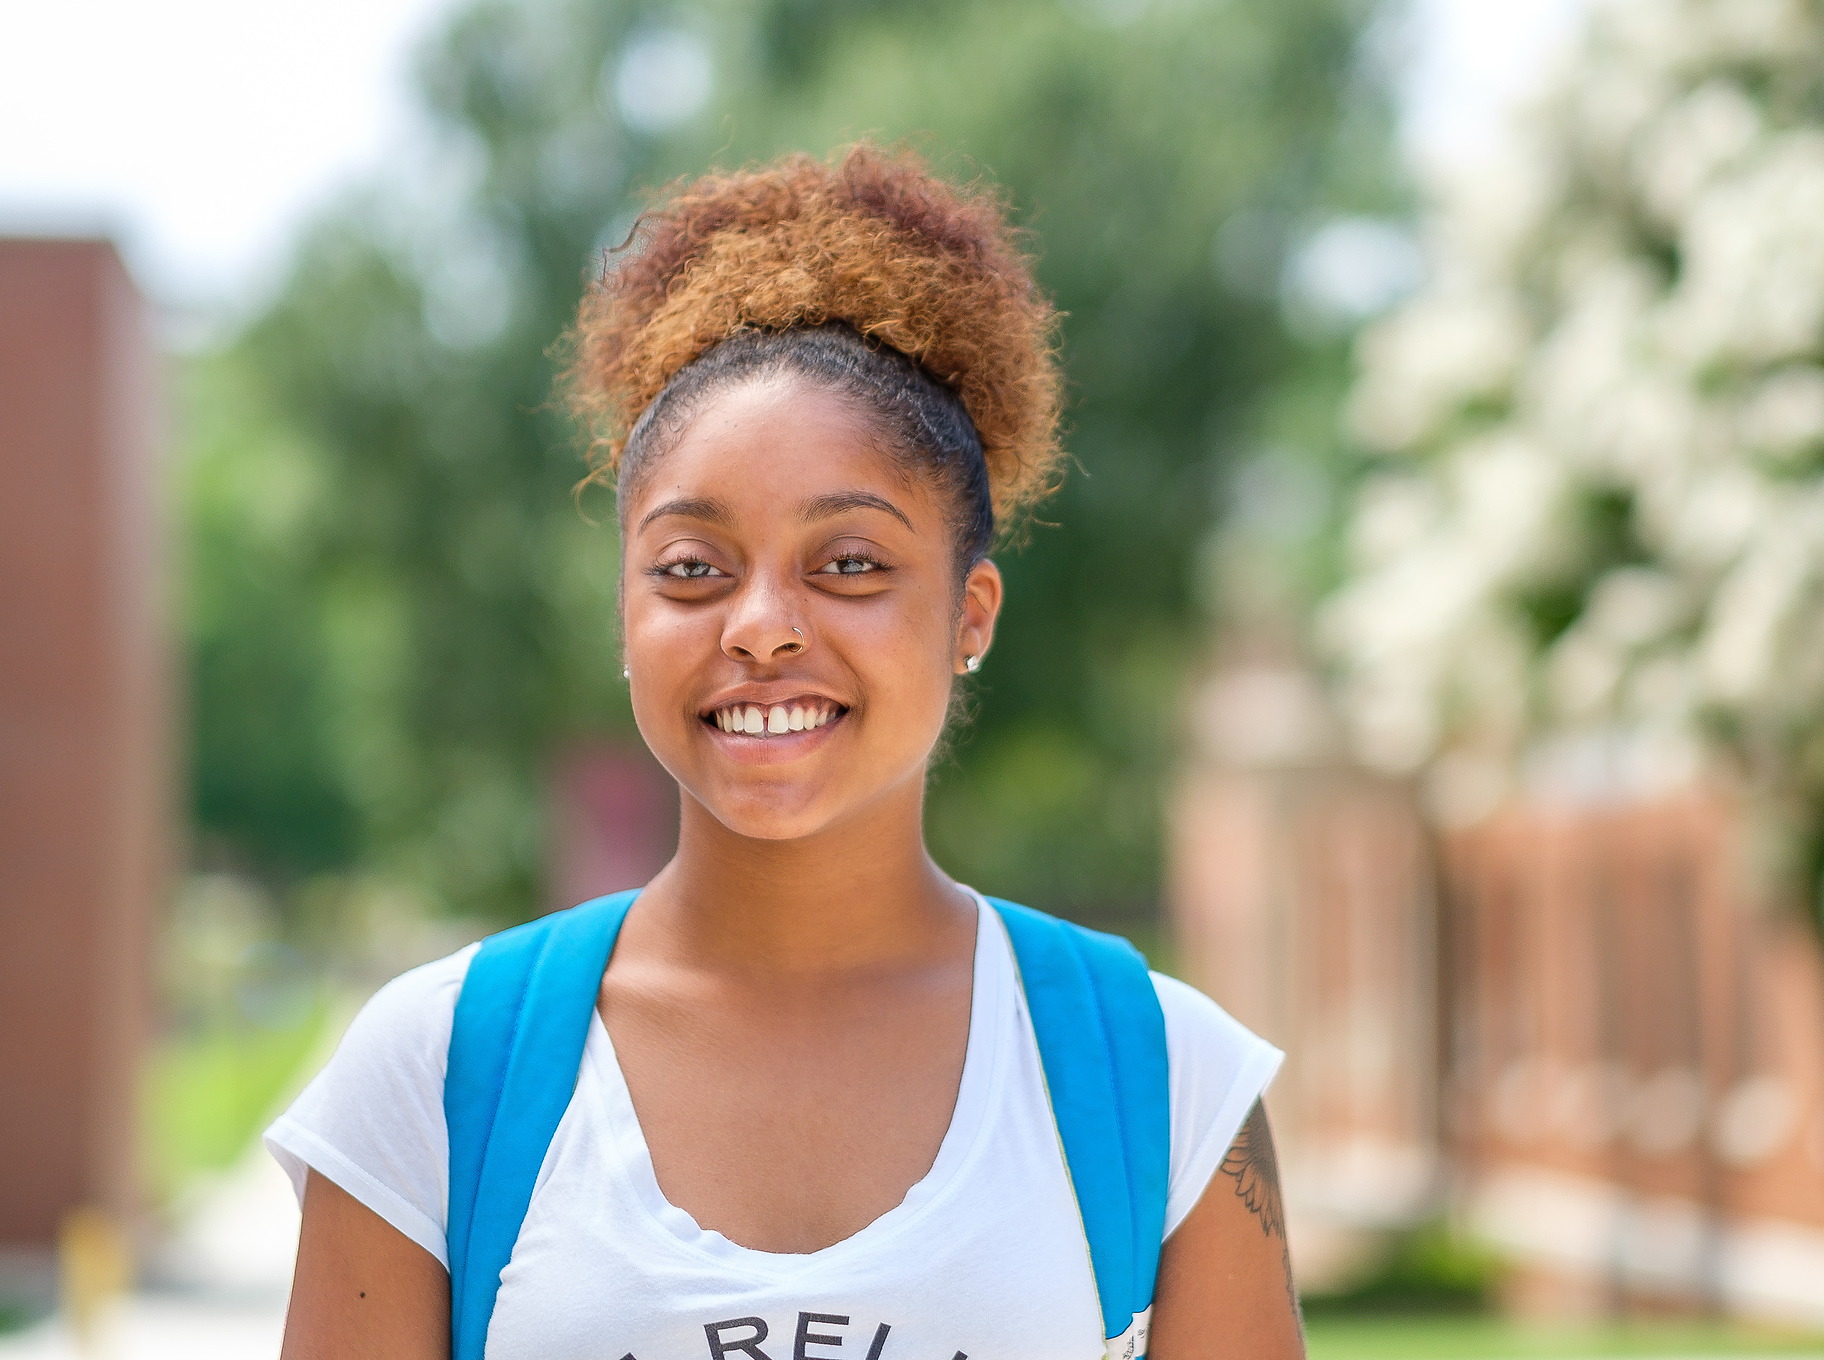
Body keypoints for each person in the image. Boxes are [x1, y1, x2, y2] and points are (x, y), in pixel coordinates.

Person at [266, 145, 1300, 1360]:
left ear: (970, 616)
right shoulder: (439, 1072)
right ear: (626, 615)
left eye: (850, 563)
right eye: (692, 568)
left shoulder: (1162, 1079)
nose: (760, 624)